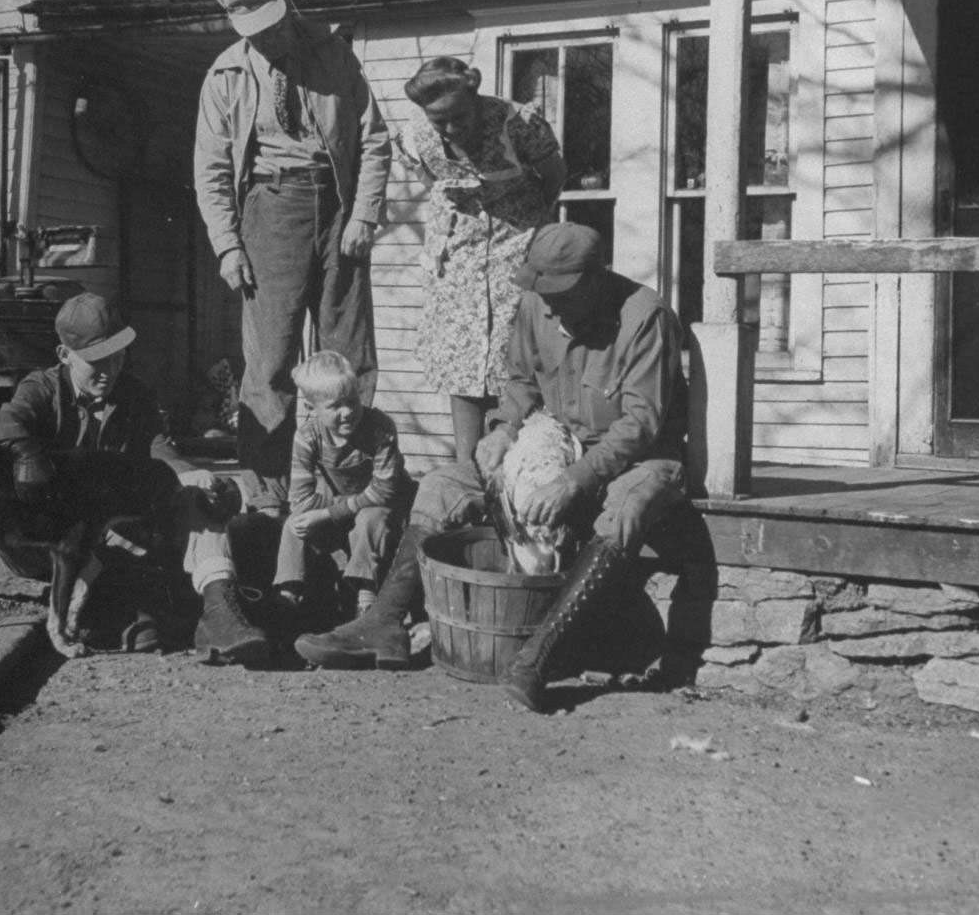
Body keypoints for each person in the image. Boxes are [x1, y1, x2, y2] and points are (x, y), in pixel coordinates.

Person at [294, 223, 689, 713]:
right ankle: (383, 623)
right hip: (551, 444)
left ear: (594, 280)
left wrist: (575, 480)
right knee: (440, 486)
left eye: (560, 294)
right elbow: (522, 382)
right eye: (540, 292)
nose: (547, 306)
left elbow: (640, 425)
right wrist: (502, 429)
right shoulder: (534, 307)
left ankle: (539, 656)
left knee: (626, 509)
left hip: (636, 458)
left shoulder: (645, 318)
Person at [194, 0, 391, 514]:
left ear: (285, 4)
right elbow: (209, 168)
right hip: (270, 209)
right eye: (255, 30)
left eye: (275, 23)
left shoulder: (334, 54)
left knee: (347, 357)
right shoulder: (225, 75)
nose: (270, 38)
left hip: (338, 208)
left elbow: (374, 139)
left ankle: (349, 491)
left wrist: (364, 216)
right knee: (270, 362)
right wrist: (228, 245)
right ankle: (268, 497)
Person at [0, 291, 270, 666]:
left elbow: (158, 449)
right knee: (133, 599)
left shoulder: (133, 393)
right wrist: (30, 455)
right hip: (43, 537)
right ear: (65, 356)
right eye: (95, 361)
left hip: (110, 527)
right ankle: (127, 609)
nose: (109, 370)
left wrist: (189, 474)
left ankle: (222, 613)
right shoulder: (42, 389)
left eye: (117, 356)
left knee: (194, 500)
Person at [398, 57, 565, 464]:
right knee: (464, 363)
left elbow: (555, 176)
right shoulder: (415, 136)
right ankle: (468, 472)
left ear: (475, 94)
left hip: (517, 240)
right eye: (441, 121)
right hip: (459, 253)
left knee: (515, 356)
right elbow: (430, 179)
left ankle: (517, 466)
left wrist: (526, 222)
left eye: (460, 116)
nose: (452, 129)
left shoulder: (518, 124)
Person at [272, 351, 412, 619]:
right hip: (350, 505)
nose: (347, 413)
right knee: (295, 523)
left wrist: (327, 514)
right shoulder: (307, 437)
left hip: (386, 509)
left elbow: (384, 491)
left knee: (370, 518)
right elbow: (300, 500)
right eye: (335, 406)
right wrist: (329, 512)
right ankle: (289, 595)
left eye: (352, 401)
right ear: (312, 408)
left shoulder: (379, 428)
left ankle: (365, 597)